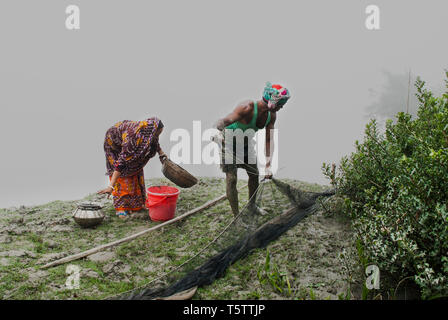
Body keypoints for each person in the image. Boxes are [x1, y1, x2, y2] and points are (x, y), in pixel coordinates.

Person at [214, 82, 290, 217]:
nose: (282, 107)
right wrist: (218, 132)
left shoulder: (271, 116)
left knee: (254, 175)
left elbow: (269, 140)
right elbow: (222, 122)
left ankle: (252, 206)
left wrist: (268, 165)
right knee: (231, 179)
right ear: (272, 101)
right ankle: (236, 215)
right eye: (280, 104)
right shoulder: (247, 107)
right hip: (229, 142)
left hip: (245, 143)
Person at [97, 117, 166, 218]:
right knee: (123, 175)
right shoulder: (132, 137)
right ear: (152, 131)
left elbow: (155, 141)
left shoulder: (148, 133)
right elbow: (120, 163)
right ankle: (122, 208)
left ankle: (136, 205)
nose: (156, 137)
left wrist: (161, 154)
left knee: (135, 168)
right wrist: (110, 186)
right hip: (113, 145)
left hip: (126, 143)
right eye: (157, 134)